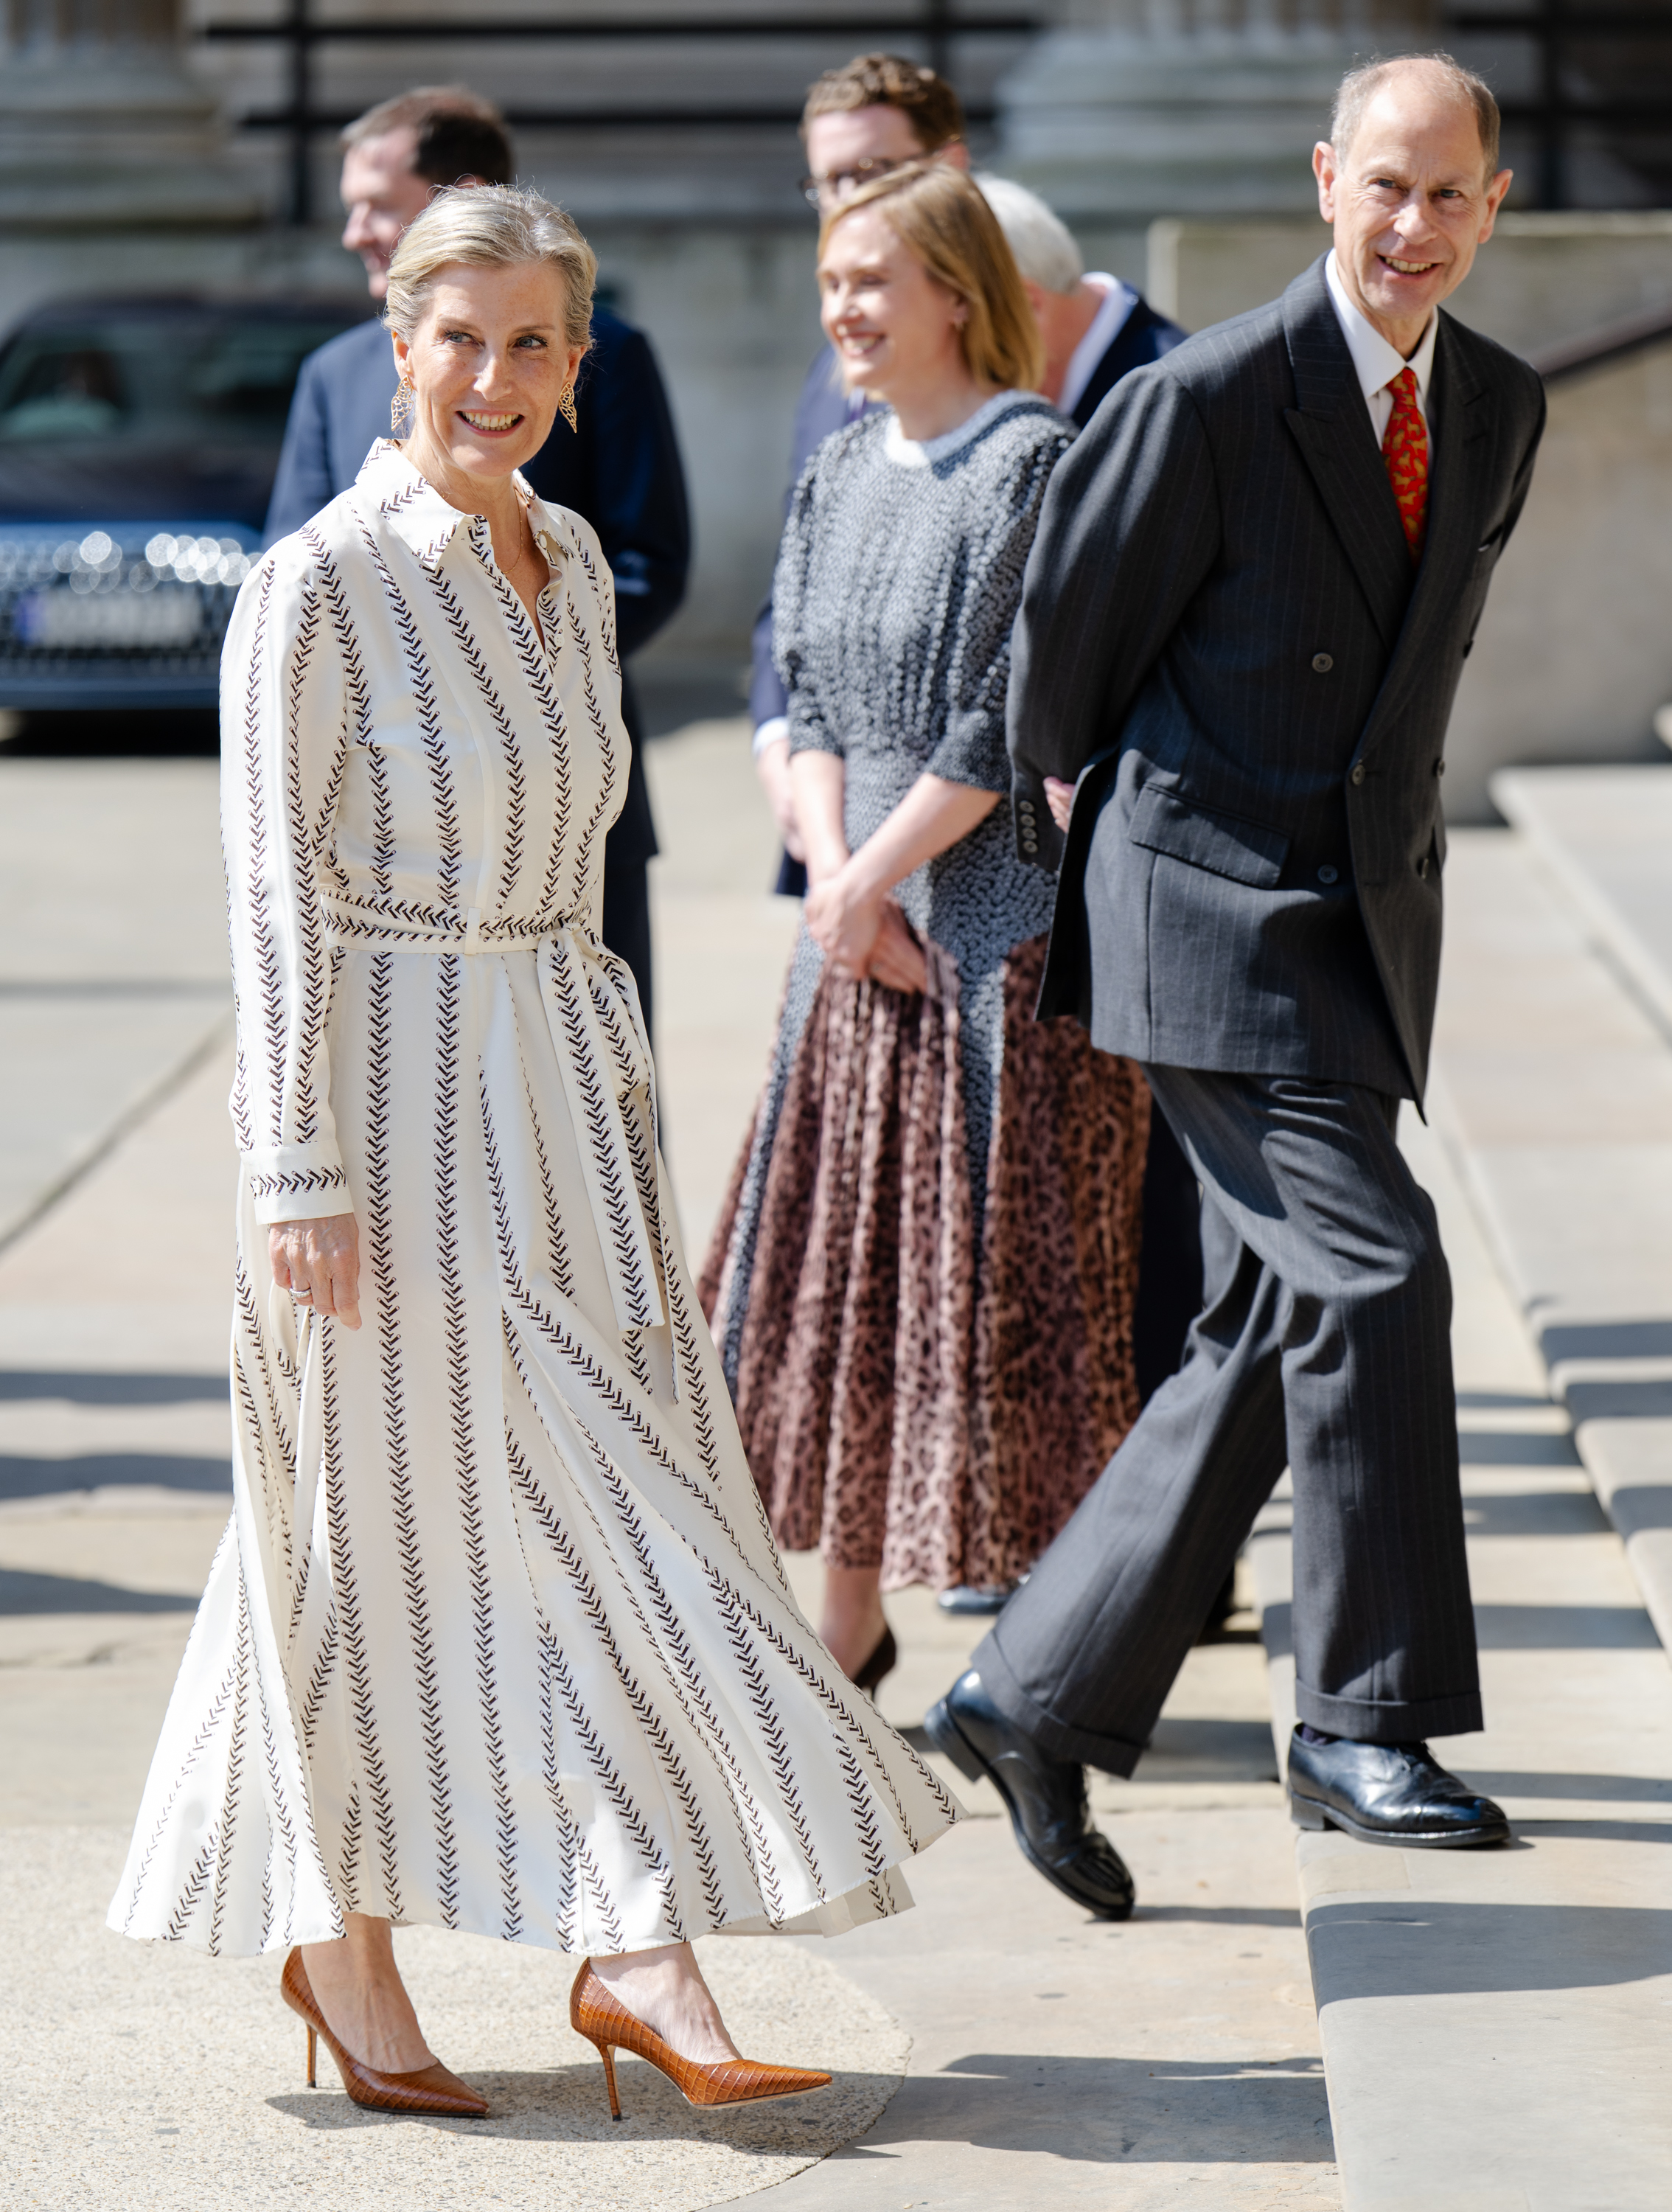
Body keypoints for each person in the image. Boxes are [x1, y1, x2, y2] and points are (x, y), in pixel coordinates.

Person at [108, 184, 955, 2119]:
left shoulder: (568, 559)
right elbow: (268, 892)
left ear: (579, 372)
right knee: (537, 1517)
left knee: (369, 1525)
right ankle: (631, 1940)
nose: (492, 379)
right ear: (397, 345)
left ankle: (351, 1957)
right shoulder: (314, 582)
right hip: (387, 1099)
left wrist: (614, 1087)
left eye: (533, 346)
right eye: (457, 338)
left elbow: (575, 869)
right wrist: (296, 1160)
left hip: (561, 1079)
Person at [924, 55, 1545, 1918]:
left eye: (1449, 195)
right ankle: (1363, 1717)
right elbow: (1061, 658)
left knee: (1280, 1324)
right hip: (1207, 912)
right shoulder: (1202, 396)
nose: (1413, 227)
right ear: (1323, 181)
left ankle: (1029, 1693)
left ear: (1493, 205)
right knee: (1380, 1270)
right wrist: (1096, 869)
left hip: (1361, 926)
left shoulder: (1499, 406)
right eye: (1385, 188)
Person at [700, 164, 1151, 1697]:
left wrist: (871, 880)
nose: (841, 309)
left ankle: (1059, 1654)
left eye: (868, 281)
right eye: (831, 283)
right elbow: (809, 701)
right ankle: (845, 1622)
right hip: (859, 939)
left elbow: (1000, 720)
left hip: (997, 946)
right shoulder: (838, 471)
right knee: (848, 1295)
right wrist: (838, 880)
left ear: (958, 293)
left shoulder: (1037, 461)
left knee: (1012, 1302)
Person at [265, 86, 688, 1033]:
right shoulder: (334, 375)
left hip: (573, 814)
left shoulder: (605, 360)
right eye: (454, 340)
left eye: (378, 201)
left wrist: (517, 694)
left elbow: (650, 562)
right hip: (396, 898)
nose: (353, 230)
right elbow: (297, 575)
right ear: (406, 356)